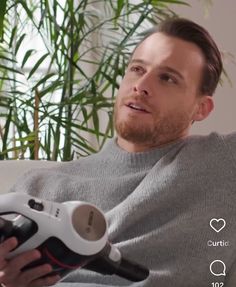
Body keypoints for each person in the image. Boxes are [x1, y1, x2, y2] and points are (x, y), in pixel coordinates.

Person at [0, 17, 236, 287]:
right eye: (137, 69)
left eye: (167, 78)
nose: (142, 86)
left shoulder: (221, 163)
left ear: (201, 109)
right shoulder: (36, 187)